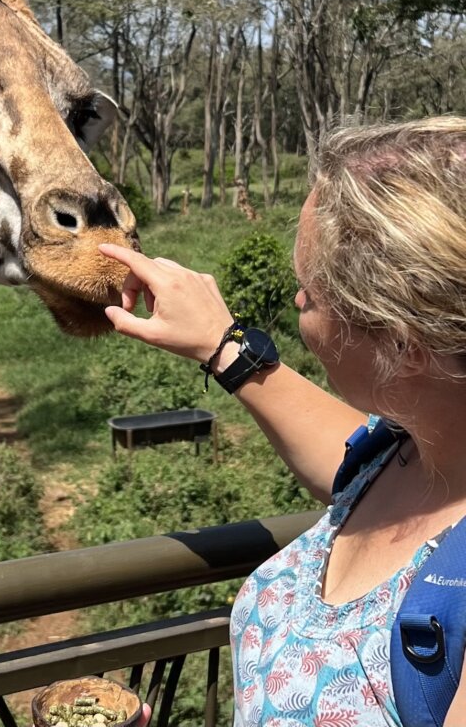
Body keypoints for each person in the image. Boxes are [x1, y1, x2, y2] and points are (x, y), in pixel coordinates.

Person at [99, 117, 466, 726]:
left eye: (309, 295)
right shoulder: (404, 455)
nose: (295, 303)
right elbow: (343, 452)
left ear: (405, 347)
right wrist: (223, 342)